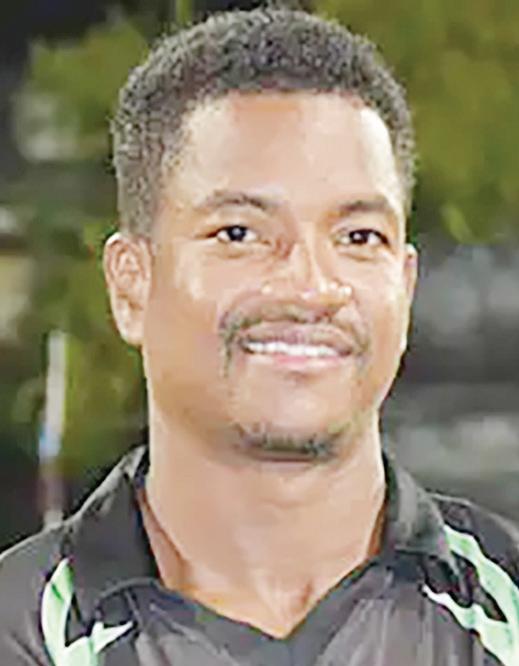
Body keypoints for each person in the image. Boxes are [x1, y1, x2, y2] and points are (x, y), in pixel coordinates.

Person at [1, 7, 518, 665]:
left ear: (405, 285)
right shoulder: (20, 631)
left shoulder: (504, 610)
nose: (311, 287)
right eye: (240, 233)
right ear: (132, 286)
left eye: (359, 237)